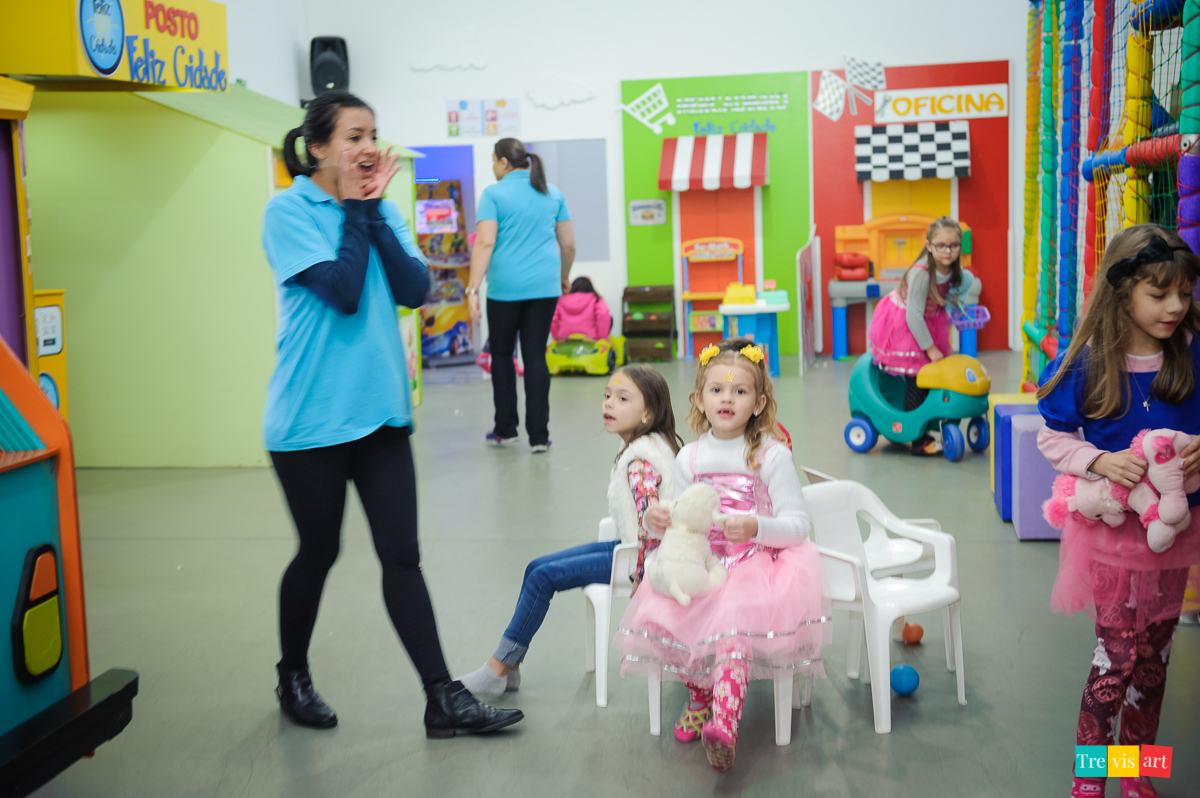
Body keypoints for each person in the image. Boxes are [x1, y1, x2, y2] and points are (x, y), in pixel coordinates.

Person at [263, 91, 522, 738]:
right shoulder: (287, 210)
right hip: (309, 424)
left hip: (380, 416)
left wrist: (373, 213)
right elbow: (345, 293)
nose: (368, 147)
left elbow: (416, 291)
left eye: (373, 134)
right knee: (318, 553)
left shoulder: (382, 210)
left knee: (401, 555)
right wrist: (357, 210)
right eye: (352, 137)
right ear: (318, 147)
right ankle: (292, 672)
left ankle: (443, 698)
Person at [1036, 224, 1200, 798]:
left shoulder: (1191, 350)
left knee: (1154, 663)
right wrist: (1099, 462)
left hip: (1173, 537)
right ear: (1123, 290)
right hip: (1112, 538)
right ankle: (1090, 775)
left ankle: (1138, 774)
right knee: (1115, 659)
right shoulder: (1089, 360)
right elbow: (1052, 438)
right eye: (1160, 295)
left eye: (1184, 293)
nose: (1176, 306)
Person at [614, 338, 831, 772]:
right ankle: (700, 696)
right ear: (699, 399)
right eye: (716, 390)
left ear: (759, 402)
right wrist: (660, 520)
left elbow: (797, 525)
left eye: (739, 391)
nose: (726, 398)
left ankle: (724, 724)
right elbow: (681, 513)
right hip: (701, 560)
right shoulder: (690, 457)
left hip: (755, 563)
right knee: (673, 606)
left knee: (732, 624)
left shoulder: (771, 455)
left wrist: (756, 526)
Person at [458, 365, 682, 696]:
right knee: (536, 567)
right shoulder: (652, 444)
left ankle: (498, 668)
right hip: (630, 546)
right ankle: (512, 667)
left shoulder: (641, 461)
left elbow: (650, 517)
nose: (608, 404)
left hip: (640, 560)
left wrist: (640, 573)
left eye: (622, 399)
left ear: (648, 413)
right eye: (607, 396)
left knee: (541, 578)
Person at [466, 138, 575, 453]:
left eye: (492, 160)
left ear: (502, 162)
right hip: (545, 287)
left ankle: (506, 429)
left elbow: (484, 244)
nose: (492, 166)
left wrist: (473, 289)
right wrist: (564, 276)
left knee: (502, 355)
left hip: (504, 290)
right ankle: (539, 437)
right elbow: (568, 245)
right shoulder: (552, 193)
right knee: (536, 356)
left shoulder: (493, 194)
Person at [867, 216, 976, 455]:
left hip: (930, 320)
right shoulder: (922, 273)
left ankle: (930, 423)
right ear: (928, 246)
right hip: (907, 322)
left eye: (954, 245)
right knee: (918, 376)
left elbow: (958, 292)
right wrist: (930, 348)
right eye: (941, 245)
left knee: (934, 375)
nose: (948, 251)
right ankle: (916, 438)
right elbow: (913, 316)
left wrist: (956, 303)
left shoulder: (957, 273)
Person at [551, 276, 612, 342]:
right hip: (589, 339)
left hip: (564, 339)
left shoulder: (562, 299)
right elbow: (603, 314)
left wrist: (556, 336)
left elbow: (553, 317)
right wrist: (602, 337)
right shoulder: (595, 298)